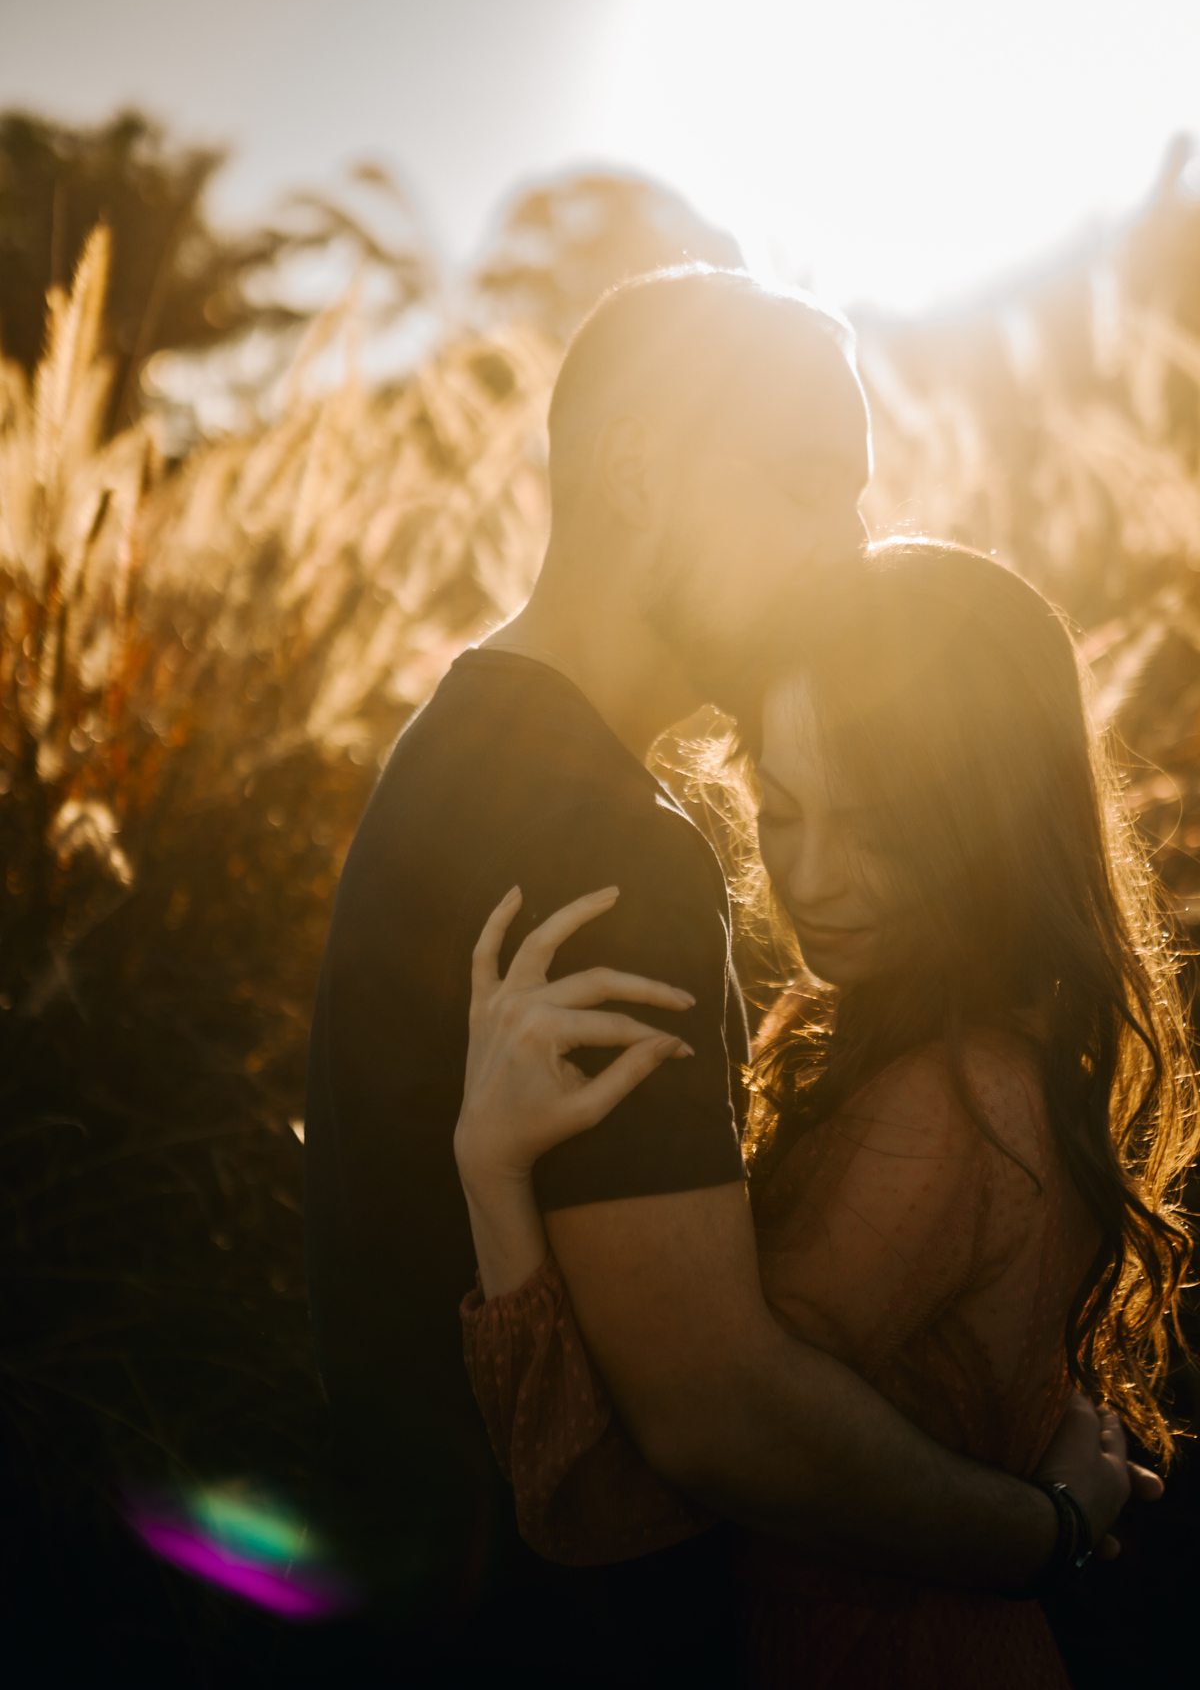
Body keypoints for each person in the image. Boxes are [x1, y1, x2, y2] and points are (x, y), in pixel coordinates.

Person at [304, 269, 1139, 1684]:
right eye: (808, 484)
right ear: (639, 472)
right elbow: (716, 1413)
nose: (845, 544)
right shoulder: (600, 840)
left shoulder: (463, 744)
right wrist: (1048, 1530)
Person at [454, 538, 1197, 1687]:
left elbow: (621, 1498)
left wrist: (493, 1179)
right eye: (784, 812)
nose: (816, 878)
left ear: (987, 818)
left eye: (879, 828)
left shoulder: (952, 1100)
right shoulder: (895, 1027)